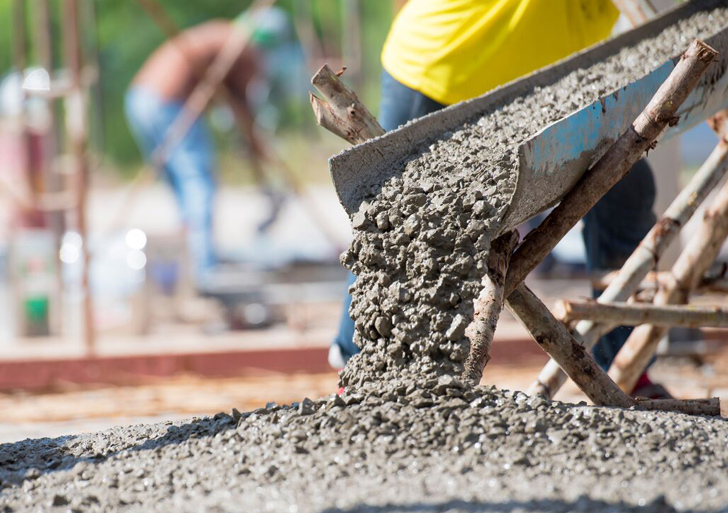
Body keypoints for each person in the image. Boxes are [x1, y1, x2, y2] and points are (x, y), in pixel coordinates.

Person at [330, 0, 666, 397]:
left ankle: (627, 368)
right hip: (443, 67)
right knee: (405, 219)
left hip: (547, 82)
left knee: (625, 188)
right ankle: (364, 373)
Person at [124, 10, 283, 290]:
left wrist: (250, 141)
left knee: (182, 188)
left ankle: (189, 260)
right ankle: (203, 268)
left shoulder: (222, 36)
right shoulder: (242, 48)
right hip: (167, 103)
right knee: (199, 182)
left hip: (140, 99)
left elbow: (235, 103)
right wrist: (257, 146)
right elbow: (244, 106)